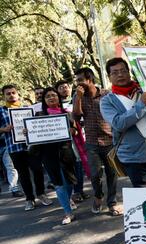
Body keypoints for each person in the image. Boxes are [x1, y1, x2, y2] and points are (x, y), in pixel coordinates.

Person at [100, 57, 146, 188]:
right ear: (109, 77)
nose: (120, 75)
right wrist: (141, 104)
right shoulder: (107, 101)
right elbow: (118, 123)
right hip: (132, 157)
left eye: (123, 71)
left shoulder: (145, 92)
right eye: (115, 72)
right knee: (144, 194)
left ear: (129, 73)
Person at [72, 68, 121, 216]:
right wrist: (78, 98)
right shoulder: (77, 96)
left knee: (112, 173)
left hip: (109, 140)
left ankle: (111, 203)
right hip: (92, 142)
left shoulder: (106, 94)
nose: (78, 83)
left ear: (90, 79)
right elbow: (76, 116)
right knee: (94, 174)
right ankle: (98, 196)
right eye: (77, 80)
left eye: (80, 79)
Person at [30, 88, 78, 225]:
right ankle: (68, 212)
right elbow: (32, 134)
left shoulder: (66, 114)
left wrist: (72, 130)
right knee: (58, 184)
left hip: (66, 153)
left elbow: (75, 130)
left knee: (69, 183)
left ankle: (67, 201)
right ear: (44, 100)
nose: (51, 98)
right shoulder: (39, 115)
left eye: (54, 95)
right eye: (48, 96)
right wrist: (27, 131)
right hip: (48, 154)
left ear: (58, 98)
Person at [0, 85, 52, 211]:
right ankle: (29, 199)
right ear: (4, 96)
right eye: (8, 93)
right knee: (23, 175)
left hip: (31, 146)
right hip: (14, 148)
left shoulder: (27, 109)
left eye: (13, 92)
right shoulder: (1, 111)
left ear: (18, 94)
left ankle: (41, 194)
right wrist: (3, 129)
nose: (11, 95)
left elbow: (36, 125)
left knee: (38, 169)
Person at [55, 80, 90, 202]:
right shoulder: (57, 107)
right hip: (64, 145)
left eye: (66, 86)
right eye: (61, 87)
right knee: (69, 169)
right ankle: (72, 195)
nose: (64, 89)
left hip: (79, 140)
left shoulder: (77, 101)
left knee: (79, 166)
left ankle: (79, 190)